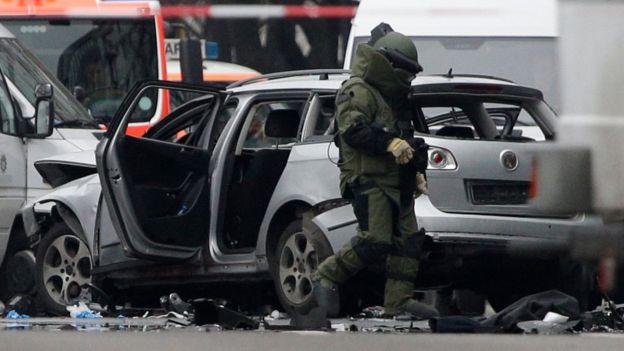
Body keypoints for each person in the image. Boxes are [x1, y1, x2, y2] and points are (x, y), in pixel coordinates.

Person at [311, 24, 438, 320]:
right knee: (376, 240)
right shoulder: (357, 91)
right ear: (387, 64)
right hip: (370, 180)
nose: (407, 80)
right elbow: (353, 131)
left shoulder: (396, 97)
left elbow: (407, 136)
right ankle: (326, 277)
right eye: (404, 73)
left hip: (400, 180)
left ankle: (399, 302)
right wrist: (388, 142)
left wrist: (418, 169)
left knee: (408, 244)